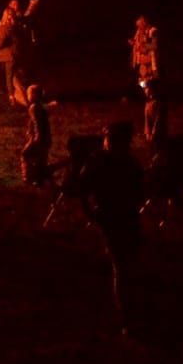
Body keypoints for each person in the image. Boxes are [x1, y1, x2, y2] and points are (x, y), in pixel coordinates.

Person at [78, 120, 146, 337]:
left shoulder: (101, 162)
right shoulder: (128, 163)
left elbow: (80, 187)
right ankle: (129, 312)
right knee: (125, 263)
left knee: (123, 265)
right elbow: (141, 192)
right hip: (124, 217)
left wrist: (89, 210)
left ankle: (129, 313)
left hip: (115, 217)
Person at [0, 0, 21, 104]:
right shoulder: (15, 26)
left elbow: (1, 43)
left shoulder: (6, 28)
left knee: (9, 76)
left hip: (9, 55)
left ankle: (12, 97)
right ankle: (18, 93)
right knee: (13, 75)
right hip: (14, 54)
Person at [21, 84, 52, 185]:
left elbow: (37, 123)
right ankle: (40, 179)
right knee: (41, 159)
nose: (27, 95)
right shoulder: (41, 105)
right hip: (46, 138)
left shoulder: (34, 108)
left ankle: (28, 177)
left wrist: (36, 139)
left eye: (29, 93)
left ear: (34, 95)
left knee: (25, 154)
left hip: (38, 138)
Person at [130, 16, 158, 94]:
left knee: (150, 82)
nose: (139, 28)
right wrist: (134, 43)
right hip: (142, 63)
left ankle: (152, 97)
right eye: (138, 26)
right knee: (142, 83)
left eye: (140, 25)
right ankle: (147, 96)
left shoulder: (152, 31)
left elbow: (155, 46)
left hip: (151, 62)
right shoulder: (138, 32)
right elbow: (137, 43)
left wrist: (144, 46)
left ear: (144, 23)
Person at [143, 80, 170, 152]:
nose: (145, 90)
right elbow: (147, 121)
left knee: (158, 152)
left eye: (146, 88)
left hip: (158, 136)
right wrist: (147, 133)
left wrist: (153, 134)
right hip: (150, 135)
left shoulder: (158, 104)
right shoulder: (148, 103)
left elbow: (158, 121)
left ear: (152, 89)